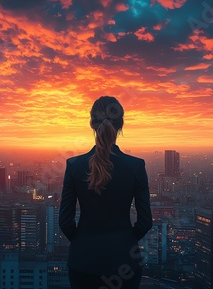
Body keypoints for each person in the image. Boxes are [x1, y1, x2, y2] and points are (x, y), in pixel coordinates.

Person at [59, 96, 153, 289]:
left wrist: (83, 241)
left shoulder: (74, 166)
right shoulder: (136, 166)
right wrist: (124, 239)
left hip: (83, 262)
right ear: (121, 125)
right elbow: (145, 223)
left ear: (92, 124)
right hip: (124, 263)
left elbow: (65, 222)